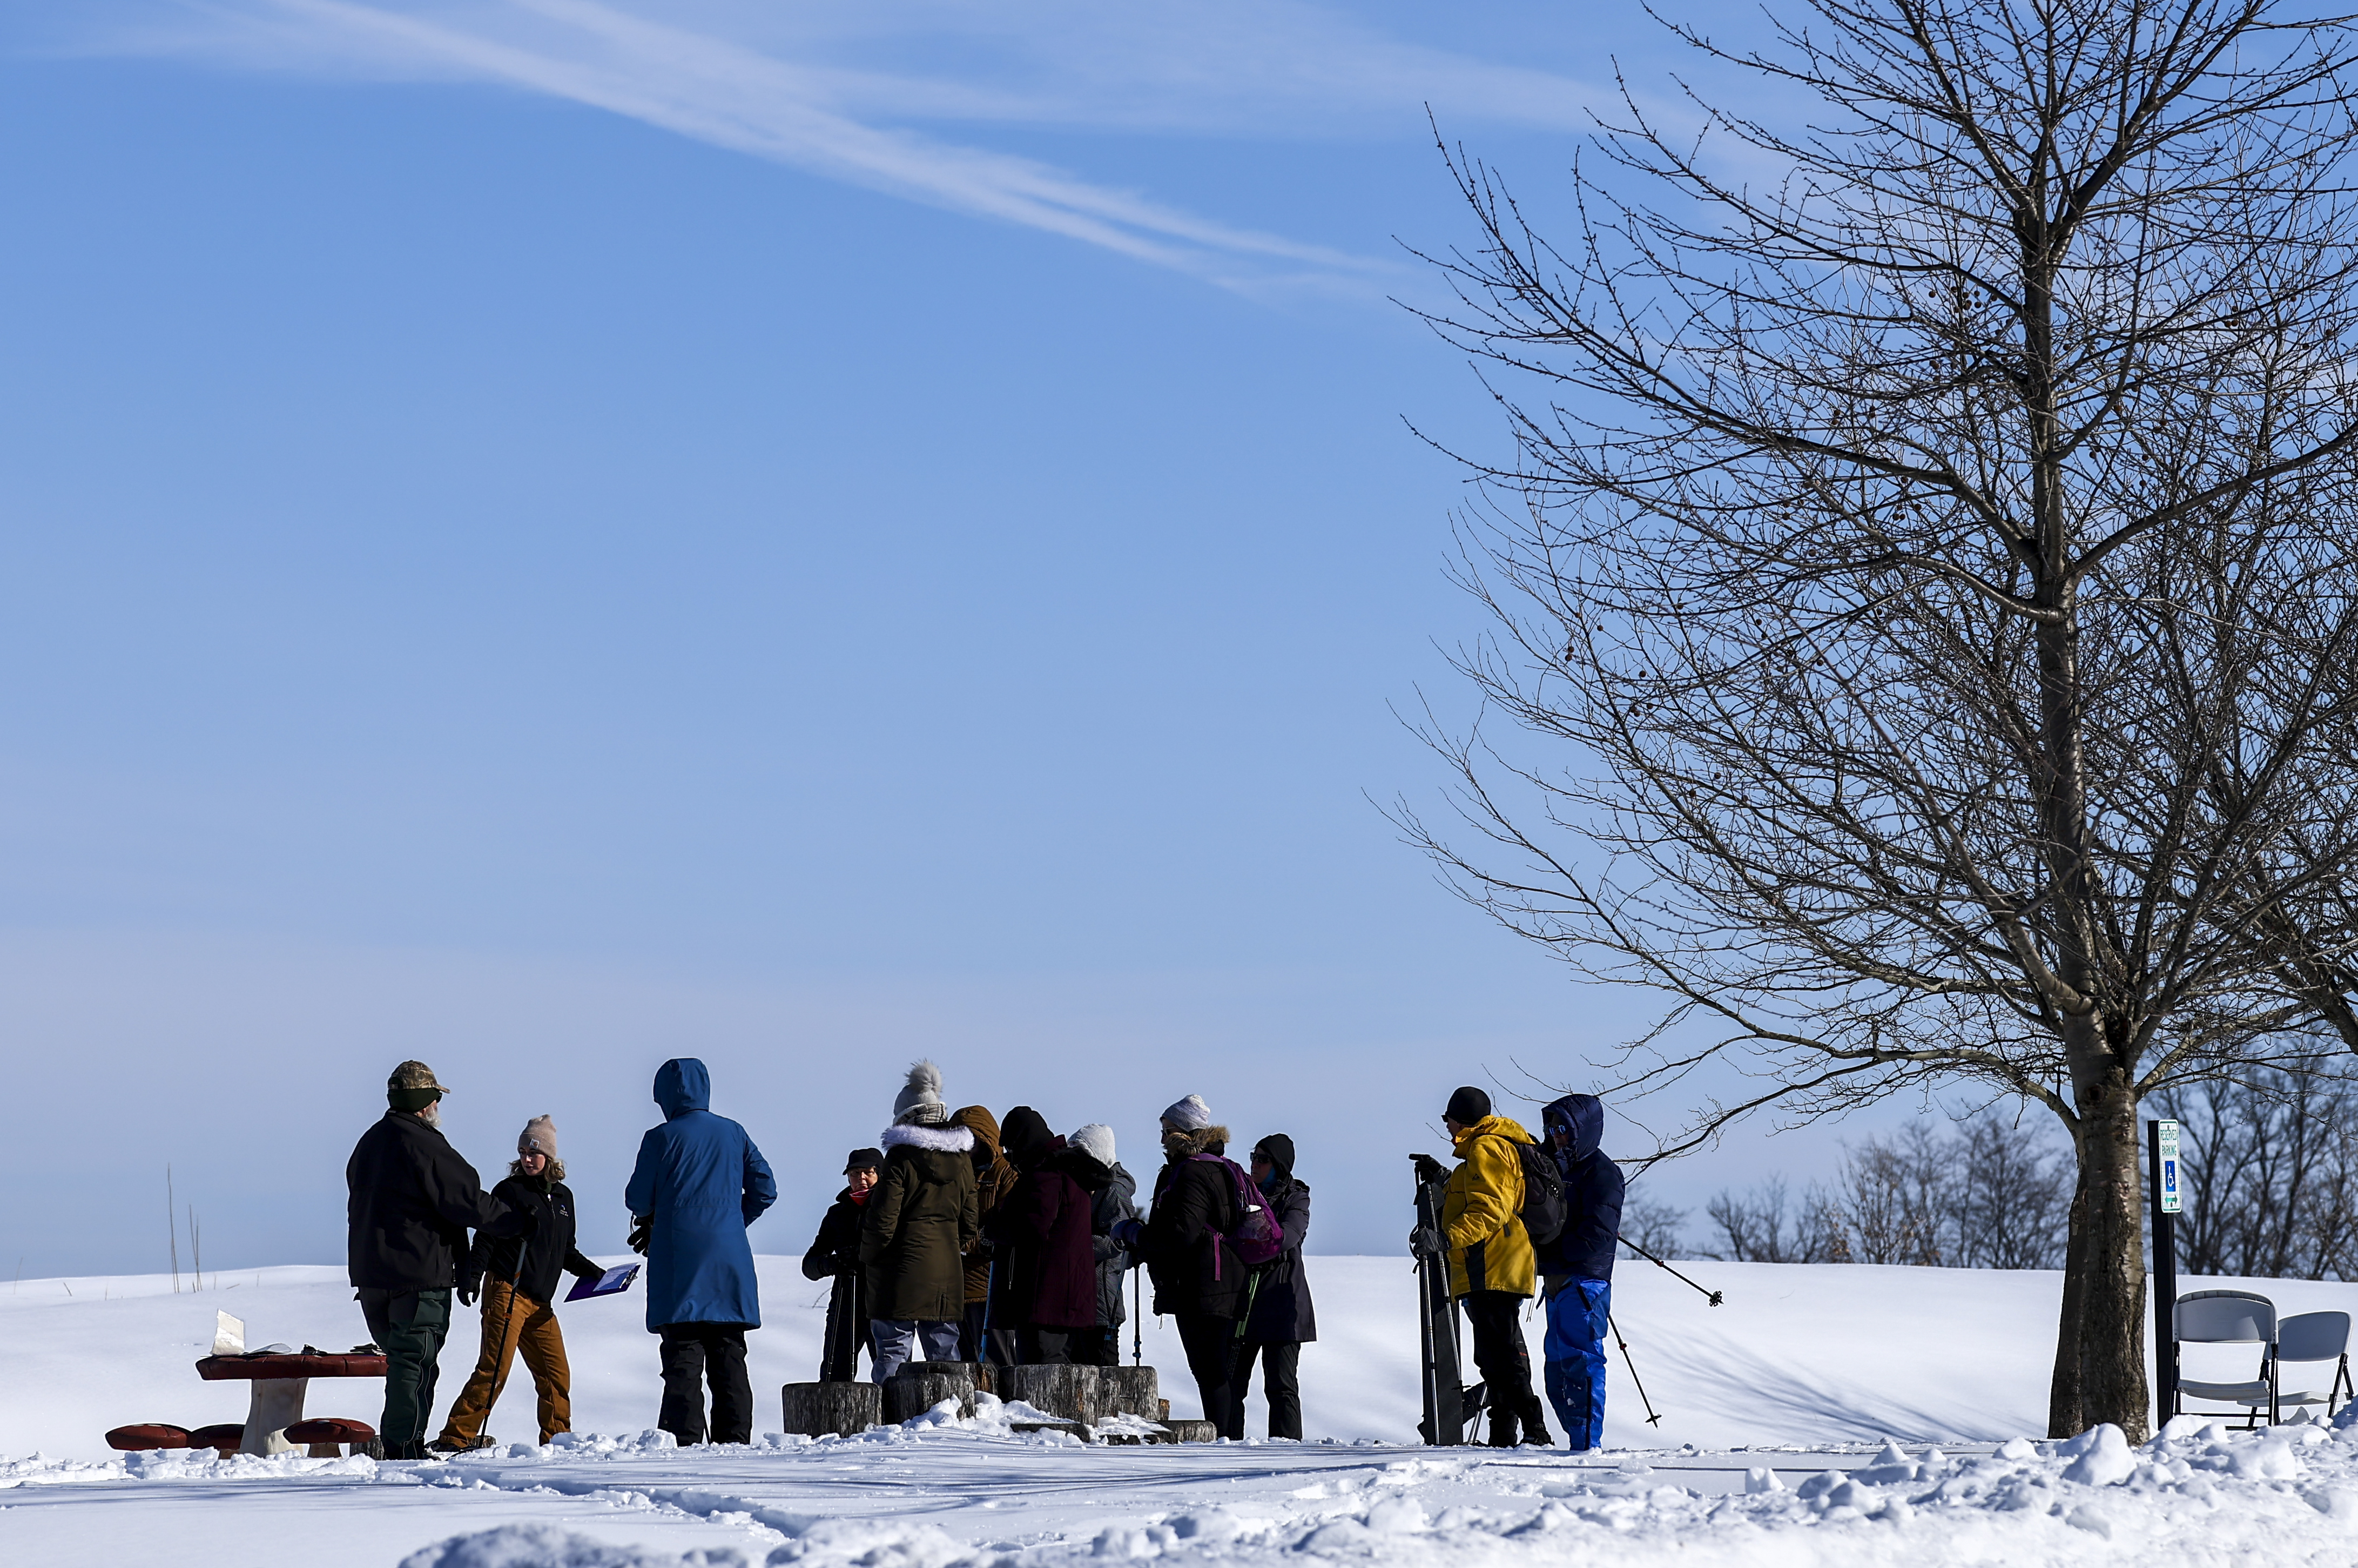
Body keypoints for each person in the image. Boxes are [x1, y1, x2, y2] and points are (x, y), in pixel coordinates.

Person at [346, 1060, 526, 1460]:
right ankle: (402, 1449)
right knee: (415, 1363)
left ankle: (402, 1443)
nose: (438, 1106)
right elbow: (465, 1200)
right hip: (418, 1274)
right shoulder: (425, 1144)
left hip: (372, 1277)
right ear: (425, 1102)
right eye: (436, 1098)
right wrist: (513, 1221)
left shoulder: (368, 1143)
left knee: (402, 1361)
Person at [624, 1058, 777, 1446]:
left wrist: (663, 1211)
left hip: (680, 1263)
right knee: (730, 1358)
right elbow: (765, 1187)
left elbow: (637, 1199)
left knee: (684, 1360)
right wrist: (732, 1219)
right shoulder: (734, 1132)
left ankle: (687, 1441)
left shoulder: (660, 1137)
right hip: (729, 1263)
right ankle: (735, 1442)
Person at [435, 1115, 605, 1451]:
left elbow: (565, 1251)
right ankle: (457, 1437)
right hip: (507, 1292)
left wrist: (594, 1273)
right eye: (523, 1151)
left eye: (535, 1152)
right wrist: (472, 1276)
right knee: (494, 1369)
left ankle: (556, 1442)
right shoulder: (509, 1191)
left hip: (541, 1303)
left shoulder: (564, 1199)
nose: (528, 1158)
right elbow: (485, 1238)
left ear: (551, 1157)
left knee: (556, 1376)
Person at [1413, 1085, 1552, 1448]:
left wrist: (1446, 1239)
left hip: (1494, 1265)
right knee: (1494, 1357)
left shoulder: (1486, 1147)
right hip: (1496, 1264)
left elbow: (1490, 1208)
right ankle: (1504, 1437)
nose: (1446, 1125)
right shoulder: (1485, 1150)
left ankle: (1536, 1430)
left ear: (1461, 1119)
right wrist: (1441, 1175)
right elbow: (1476, 1192)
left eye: (1448, 1118)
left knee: (1500, 1357)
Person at [1120, 1094, 1248, 1439]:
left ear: (1183, 1133)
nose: (1161, 1138)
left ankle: (1224, 1440)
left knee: (1209, 1370)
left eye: (1166, 1130)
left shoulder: (1191, 1172)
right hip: (1222, 1279)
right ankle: (1229, 1437)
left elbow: (1181, 1233)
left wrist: (1135, 1234)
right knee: (1216, 1370)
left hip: (1202, 1284)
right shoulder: (1217, 1168)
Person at [861, 1062, 979, 1381]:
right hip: (947, 1272)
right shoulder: (963, 1161)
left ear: (904, 1116)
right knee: (945, 1351)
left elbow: (883, 1218)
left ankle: (890, 1422)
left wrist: (869, 1255)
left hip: (899, 1271)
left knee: (893, 1350)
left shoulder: (900, 1159)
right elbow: (970, 1222)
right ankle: (950, 1413)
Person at [1536, 1093, 1624, 1451]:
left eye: (1563, 1130)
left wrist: (1551, 1250)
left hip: (1586, 1281)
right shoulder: (1555, 1168)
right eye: (1551, 1128)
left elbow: (1599, 1234)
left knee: (1582, 1362)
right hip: (1556, 1281)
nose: (1556, 1136)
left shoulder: (1603, 1174)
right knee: (1556, 1372)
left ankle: (1588, 1445)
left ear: (1582, 1131)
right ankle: (1578, 1440)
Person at [986, 1107, 1104, 1365]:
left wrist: (995, 1227)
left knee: (1041, 1367)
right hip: (1067, 1291)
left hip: (1047, 1294)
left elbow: (1033, 1227)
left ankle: (1050, 1409)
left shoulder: (1047, 1174)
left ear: (1023, 1141)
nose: (1009, 1156)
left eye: (1010, 1148)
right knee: (1053, 1363)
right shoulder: (1068, 1169)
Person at [1233, 1132, 1315, 1441]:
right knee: (1232, 1383)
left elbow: (1287, 1237)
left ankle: (1287, 1452)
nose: (1255, 1164)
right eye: (1253, 1156)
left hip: (1283, 1302)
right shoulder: (1241, 1193)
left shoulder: (1297, 1198)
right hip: (1245, 1302)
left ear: (1279, 1165)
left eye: (1263, 1159)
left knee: (1281, 1385)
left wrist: (1252, 1232)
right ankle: (1226, 1447)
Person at [801, 1148, 884, 1382]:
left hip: (885, 1304)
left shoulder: (892, 1208)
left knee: (891, 1374)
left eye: (868, 1172)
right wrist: (833, 1264)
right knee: (834, 1377)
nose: (862, 1179)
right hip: (845, 1304)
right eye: (855, 1174)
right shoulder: (837, 1213)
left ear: (880, 1174)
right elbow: (809, 1265)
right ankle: (833, 1419)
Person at [951, 1105, 1020, 1368]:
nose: (965, 1145)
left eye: (971, 1137)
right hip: (955, 1286)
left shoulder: (1005, 1173)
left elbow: (1004, 1229)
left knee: (998, 1363)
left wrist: (958, 1243)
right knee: (964, 1366)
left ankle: (1009, 1410)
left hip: (989, 1285)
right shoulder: (954, 1174)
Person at [1069, 1123, 1137, 1368]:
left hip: (1101, 1297)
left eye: (1080, 1153)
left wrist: (1071, 1246)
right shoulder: (1091, 1185)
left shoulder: (1113, 1191)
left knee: (1104, 1371)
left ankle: (1114, 1408)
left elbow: (1117, 1240)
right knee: (1081, 1371)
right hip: (1084, 1294)